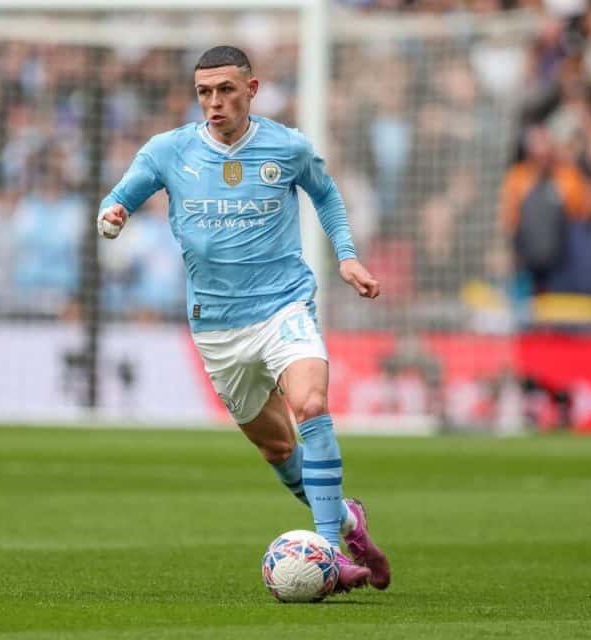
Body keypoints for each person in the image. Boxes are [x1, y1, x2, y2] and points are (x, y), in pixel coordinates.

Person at [96, 46, 390, 595]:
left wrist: (347, 256)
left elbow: (326, 196)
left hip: (283, 305)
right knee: (278, 450)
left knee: (311, 405)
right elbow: (117, 198)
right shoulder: (168, 151)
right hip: (217, 326)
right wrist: (111, 216)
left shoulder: (288, 145)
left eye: (225, 90)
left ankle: (327, 547)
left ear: (250, 90)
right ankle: (349, 521)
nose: (214, 102)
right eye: (204, 92)